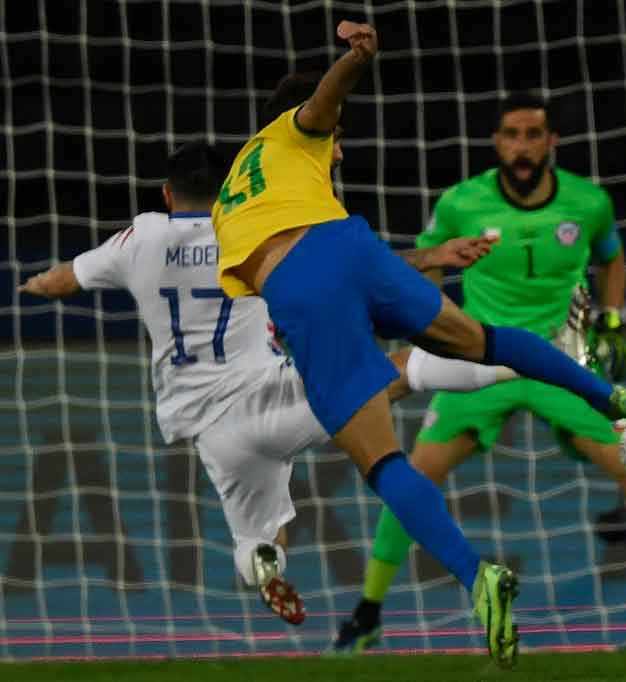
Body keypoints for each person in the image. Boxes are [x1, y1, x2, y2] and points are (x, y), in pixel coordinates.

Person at [210, 21, 626, 667]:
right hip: (350, 247)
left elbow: (299, 270)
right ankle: (612, 399)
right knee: (486, 340)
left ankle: (478, 579)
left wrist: (433, 255)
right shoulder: (293, 132)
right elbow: (323, 107)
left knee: (383, 461)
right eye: (337, 141)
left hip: (307, 277)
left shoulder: (237, 191)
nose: (336, 151)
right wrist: (355, 57)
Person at [17, 141, 516, 626]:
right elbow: (354, 272)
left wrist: (32, 285)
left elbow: (64, 280)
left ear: (168, 194)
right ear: (231, 189)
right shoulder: (251, 234)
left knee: (260, 537)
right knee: (400, 369)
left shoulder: (141, 239)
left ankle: (261, 563)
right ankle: (529, 360)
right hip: (271, 393)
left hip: (209, 431)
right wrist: (431, 258)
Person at [331, 93, 626, 655]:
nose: (522, 146)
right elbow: (423, 264)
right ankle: (367, 612)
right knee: (410, 478)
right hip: (478, 360)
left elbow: (611, 258)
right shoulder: (462, 203)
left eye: (533, 135)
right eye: (512, 135)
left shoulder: (588, 203)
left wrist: (610, 319)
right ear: (497, 141)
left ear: (551, 141)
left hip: (560, 363)